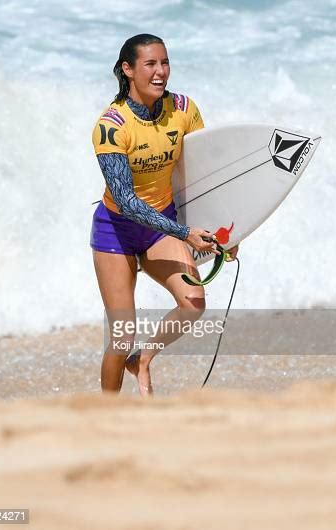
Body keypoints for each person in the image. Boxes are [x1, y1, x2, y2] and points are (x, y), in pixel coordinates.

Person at [91, 34, 238, 395]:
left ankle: (142, 360)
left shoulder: (184, 109)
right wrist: (184, 233)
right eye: (150, 64)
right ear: (128, 70)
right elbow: (126, 202)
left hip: (162, 226)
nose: (161, 72)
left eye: (165, 62)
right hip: (117, 232)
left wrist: (225, 235)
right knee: (123, 335)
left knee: (192, 304)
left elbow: (204, 176)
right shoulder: (112, 126)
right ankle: (103, 413)